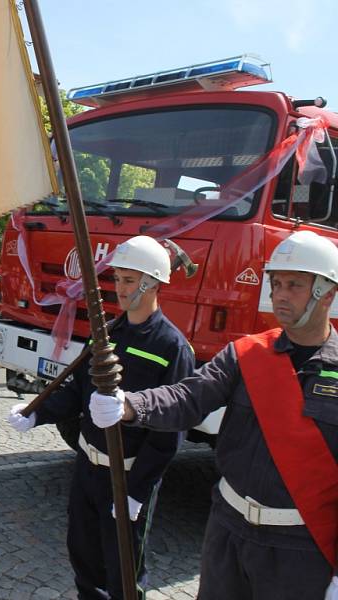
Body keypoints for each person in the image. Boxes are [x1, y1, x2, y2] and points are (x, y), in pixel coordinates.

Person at [91, 230, 338, 600]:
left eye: (295, 285)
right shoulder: (246, 354)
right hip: (228, 531)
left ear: (327, 293)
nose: (281, 295)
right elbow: (190, 396)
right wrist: (131, 406)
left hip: (300, 547)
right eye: (277, 283)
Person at [8, 235, 195, 600]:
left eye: (129, 280)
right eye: (118, 279)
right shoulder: (108, 333)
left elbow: (170, 431)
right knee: (84, 561)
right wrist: (36, 414)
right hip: (87, 469)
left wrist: (138, 491)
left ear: (152, 283)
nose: (119, 289)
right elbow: (78, 389)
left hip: (126, 477)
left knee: (123, 575)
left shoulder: (171, 347)